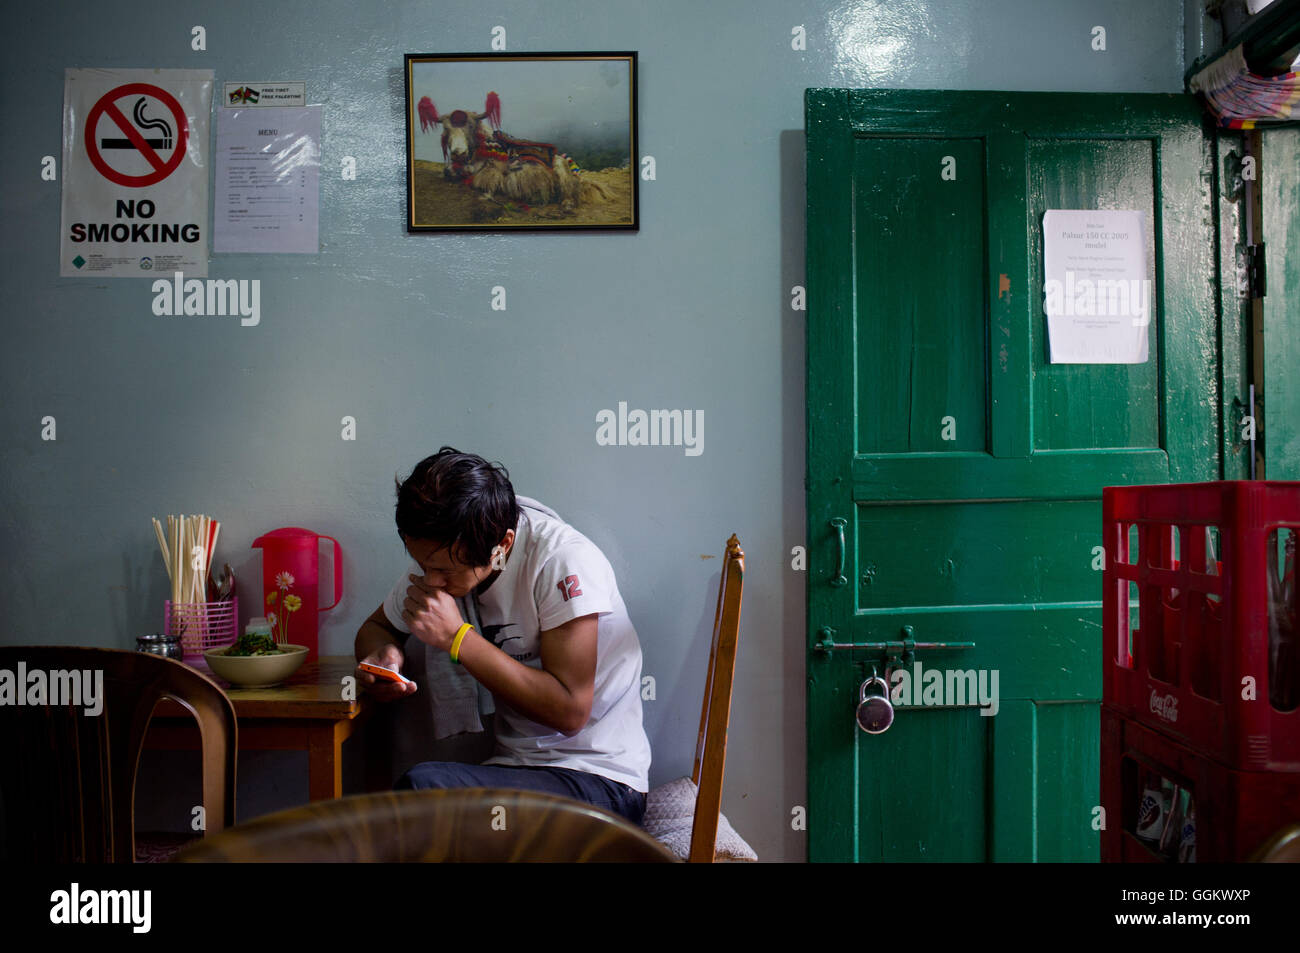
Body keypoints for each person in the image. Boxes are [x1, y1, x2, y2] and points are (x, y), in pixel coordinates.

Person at [354, 447, 651, 824]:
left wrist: (457, 638)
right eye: (423, 565)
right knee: (416, 794)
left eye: (444, 571)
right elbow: (375, 628)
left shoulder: (560, 561)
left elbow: (570, 709)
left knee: (421, 790)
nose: (431, 582)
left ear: (502, 546)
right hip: (516, 768)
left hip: (601, 783)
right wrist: (383, 658)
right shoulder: (447, 553)